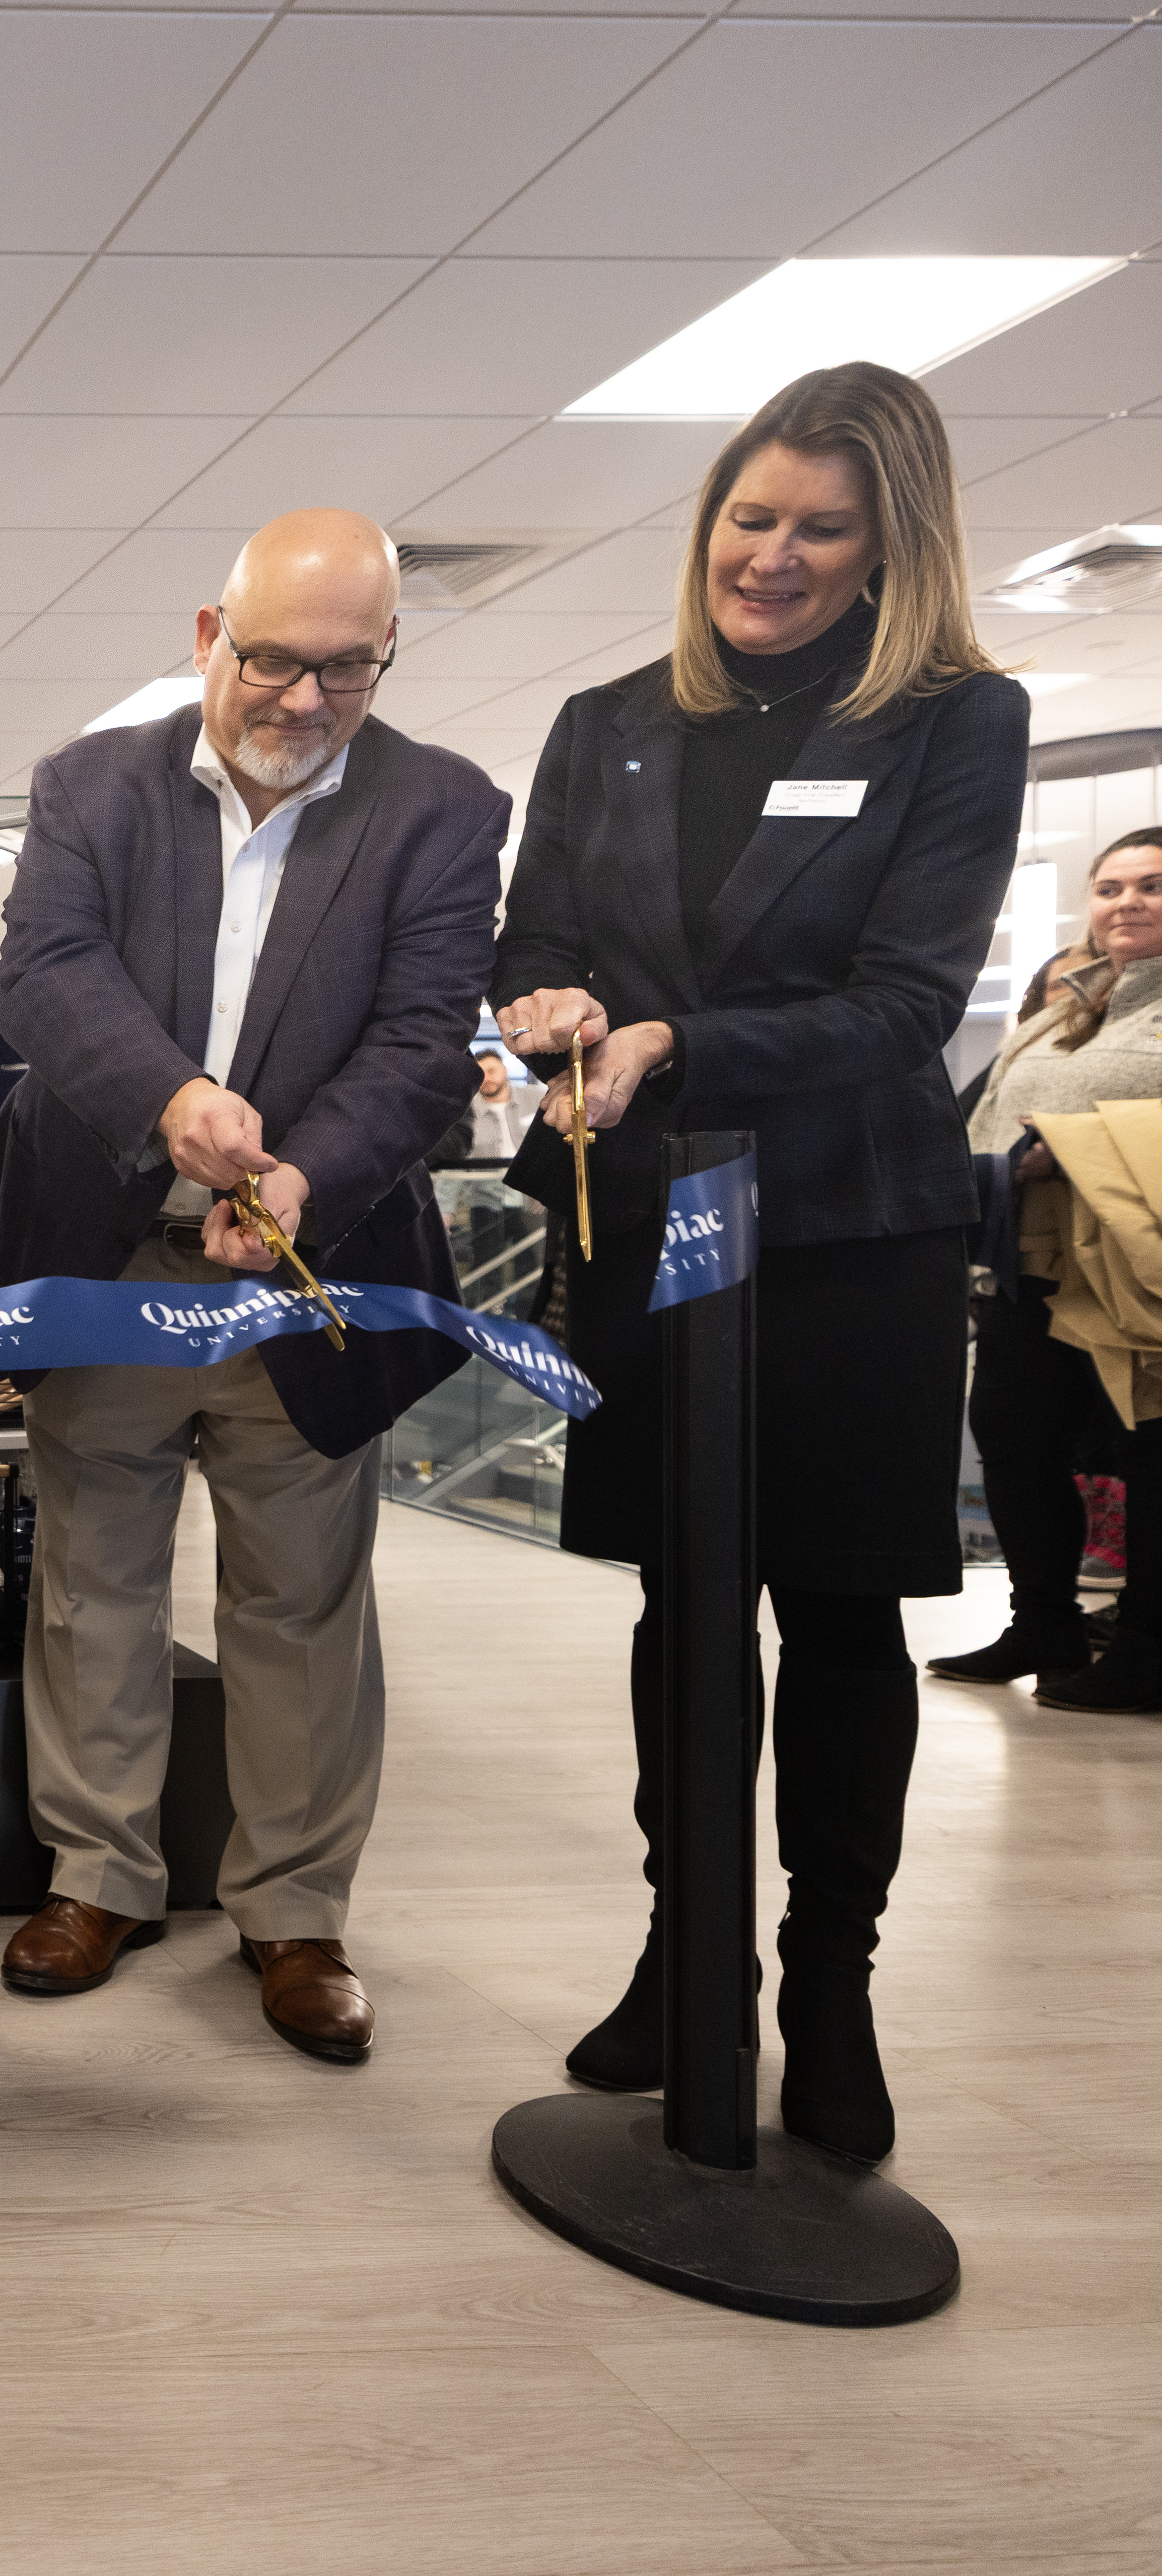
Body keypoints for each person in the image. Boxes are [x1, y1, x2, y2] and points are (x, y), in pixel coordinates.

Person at [494, 361, 1027, 2167]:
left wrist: (671, 1040)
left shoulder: (955, 722)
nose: (771, 556)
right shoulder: (606, 720)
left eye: (819, 528)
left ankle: (829, 1979)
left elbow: (903, 1003)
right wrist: (551, 1007)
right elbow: (534, 937)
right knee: (684, 1602)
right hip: (659, 1221)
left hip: (849, 1231)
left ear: (889, 546)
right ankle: (687, 1951)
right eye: (747, 517)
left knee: (840, 1613)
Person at [0, 510, 505, 2065]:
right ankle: (97, 1876)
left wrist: (296, 1177)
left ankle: (295, 1911)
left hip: (306, 1274)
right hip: (113, 1259)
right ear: (209, 635)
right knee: (94, 1581)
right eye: (272, 660)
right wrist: (176, 1103)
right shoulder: (89, 785)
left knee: (301, 1600)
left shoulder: (441, 807)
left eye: (348, 668)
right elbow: (47, 976)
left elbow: (421, 1040)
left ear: (386, 655)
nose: (304, 699)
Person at [943, 830, 1162, 1709]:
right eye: (1111, 887)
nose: (1128, 902)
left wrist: (1075, 1144)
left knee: (1150, 1457)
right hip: (1028, 1263)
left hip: (1137, 1272)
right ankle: (1044, 1623)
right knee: (1014, 1439)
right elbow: (990, 1112)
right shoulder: (1065, 1005)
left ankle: (1148, 1643)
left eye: (1153, 886)